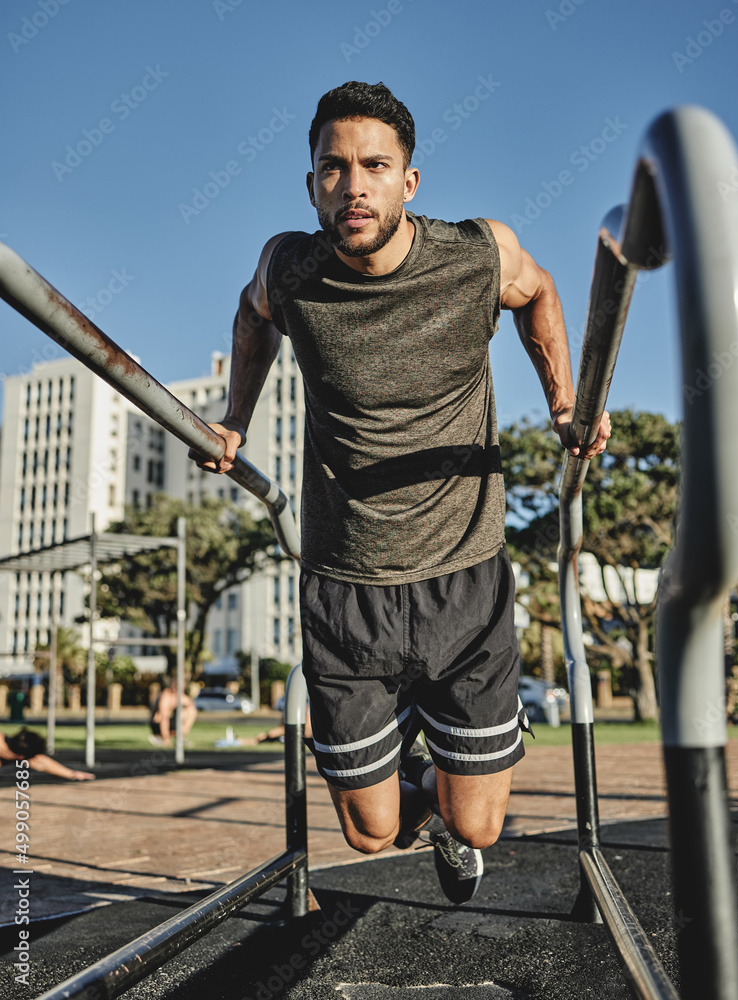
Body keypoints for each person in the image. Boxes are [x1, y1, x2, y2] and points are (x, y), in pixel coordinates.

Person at [191, 81, 610, 904]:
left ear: (407, 181)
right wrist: (234, 418)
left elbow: (540, 292)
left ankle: (456, 820)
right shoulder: (291, 268)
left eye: (374, 166)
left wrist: (564, 403)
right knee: (371, 833)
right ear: (311, 182)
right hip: (347, 591)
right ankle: (414, 768)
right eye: (333, 168)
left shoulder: (475, 253)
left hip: (466, 579)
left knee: (481, 825)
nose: (354, 186)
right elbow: (251, 317)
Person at [0, 728, 95, 780]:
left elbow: (42, 763)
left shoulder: (12, 749)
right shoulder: (13, 751)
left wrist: (72, 774)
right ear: (21, 757)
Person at [149, 678, 197, 747]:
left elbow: (191, 706)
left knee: (191, 711)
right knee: (164, 715)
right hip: (159, 724)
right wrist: (166, 739)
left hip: (172, 723)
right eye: (175, 684)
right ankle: (161, 736)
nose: (176, 686)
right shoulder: (166, 696)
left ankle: (180, 737)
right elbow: (163, 717)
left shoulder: (181, 696)